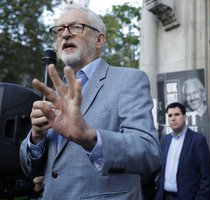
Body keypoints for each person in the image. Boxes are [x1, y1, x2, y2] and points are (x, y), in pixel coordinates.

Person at [19, 4, 161, 200]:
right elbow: (29, 168)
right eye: (59, 30)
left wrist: (89, 137)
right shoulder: (53, 95)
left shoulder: (129, 80)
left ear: (99, 39)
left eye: (76, 27)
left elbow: (149, 152)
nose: (65, 34)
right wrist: (36, 137)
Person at [155, 102, 210, 200]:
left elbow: (207, 177)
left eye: (177, 114)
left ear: (185, 117)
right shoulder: (165, 140)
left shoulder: (197, 140)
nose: (173, 118)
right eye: (170, 115)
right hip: (165, 196)